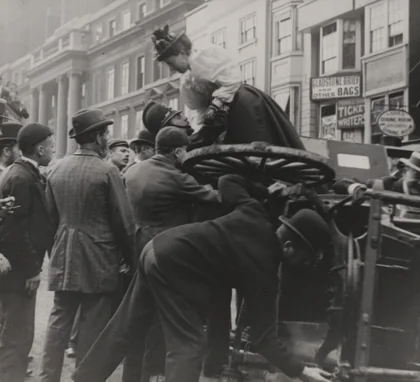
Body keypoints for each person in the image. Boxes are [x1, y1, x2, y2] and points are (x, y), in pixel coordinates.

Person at [73, 174, 333, 382]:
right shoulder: (264, 269)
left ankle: (84, 378)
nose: (303, 267)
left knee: (126, 325)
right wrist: (301, 371)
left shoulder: (254, 211)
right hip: (173, 265)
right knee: (189, 345)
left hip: (156, 247)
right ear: (288, 246)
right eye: (305, 260)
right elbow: (264, 338)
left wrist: (266, 191)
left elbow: (229, 180)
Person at [40, 109, 136, 382]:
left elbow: (51, 218)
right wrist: (131, 258)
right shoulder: (107, 171)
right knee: (93, 323)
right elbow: (124, 223)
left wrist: (57, 249)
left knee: (59, 321)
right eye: (105, 133)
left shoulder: (56, 168)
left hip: (64, 257)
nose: (107, 137)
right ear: (97, 137)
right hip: (99, 259)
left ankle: (48, 377)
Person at [122, 126, 219, 382]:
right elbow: (213, 197)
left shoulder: (132, 171)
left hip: (139, 247)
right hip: (166, 254)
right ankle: (157, 372)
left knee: (140, 314)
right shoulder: (177, 178)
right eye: (185, 150)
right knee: (166, 316)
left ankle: (135, 375)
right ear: (177, 151)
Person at [151, 25, 304, 149]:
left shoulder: (202, 58)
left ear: (182, 53)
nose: (171, 69)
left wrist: (217, 104)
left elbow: (231, 79)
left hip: (242, 103)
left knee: (256, 141)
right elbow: (201, 106)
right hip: (224, 112)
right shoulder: (188, 78)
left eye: (171, 63)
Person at [0, 123, 55, 382]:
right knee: (17, 336)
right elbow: (13, 231)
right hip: (20, 273)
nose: (53, 150)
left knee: (18, 334)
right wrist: (32, 270)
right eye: (51, 145)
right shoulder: (21, 177)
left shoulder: (23, 174)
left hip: (19, 269)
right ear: (40, 148)